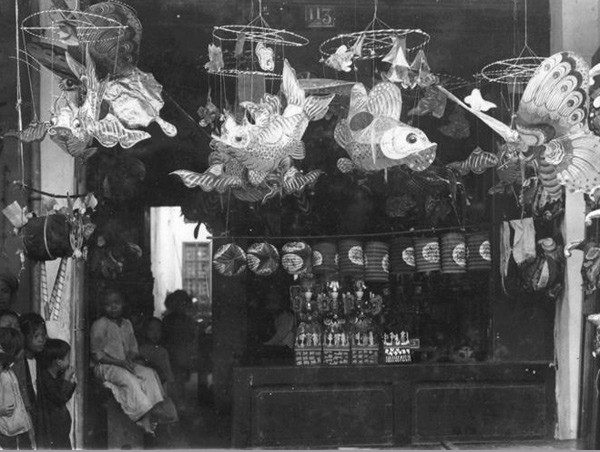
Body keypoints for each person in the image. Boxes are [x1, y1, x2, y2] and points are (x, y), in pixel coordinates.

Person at [91, 288, 174, 434]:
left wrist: (129, 359)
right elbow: (97, 355)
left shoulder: (127, 324)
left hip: (125, 364)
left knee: (149, 373)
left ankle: (154, 411)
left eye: (116, 302)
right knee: (129, 379)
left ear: (123, 304)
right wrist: (121, 363)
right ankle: (143, 418)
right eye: (108, 304)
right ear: (103, 307)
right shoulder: (100, 324)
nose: (113, 307)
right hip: (106, 366)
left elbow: (133, 348)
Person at [161, 290, 198, 413]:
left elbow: (192, 336)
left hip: (180, 352)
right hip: (175, 353)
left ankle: (179, 403)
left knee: (179, 379)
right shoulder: (171, 320)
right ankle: (178, 403)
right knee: (177, 379)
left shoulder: (182, 320)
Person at [37, 339, 76, 449]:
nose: (70, 362)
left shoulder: (57, 376)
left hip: (62, 430)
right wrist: (67, 380)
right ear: (59, 362)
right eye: (68, 358)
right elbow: (60, 398)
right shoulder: (46, 378)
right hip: (54, 431)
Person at [0, 327, 33, 449]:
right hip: (4, 430)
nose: (23, 352)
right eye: (20, 349)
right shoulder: (3, 374)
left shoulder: (9, 371)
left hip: (13, 428)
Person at [18, 313, 47, 438]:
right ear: (24, 337)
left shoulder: (42, 361)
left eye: (43, 335)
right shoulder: (19, 363)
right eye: (36, 336)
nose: (41, 340)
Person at [138, 318, 175, 389]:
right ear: (145, 331)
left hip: (161, 385)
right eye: (151, 330)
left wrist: (170, 383)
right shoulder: (140, 350)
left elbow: (167, 371)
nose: (155, 333)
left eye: (158, 330)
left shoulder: (162, 351)